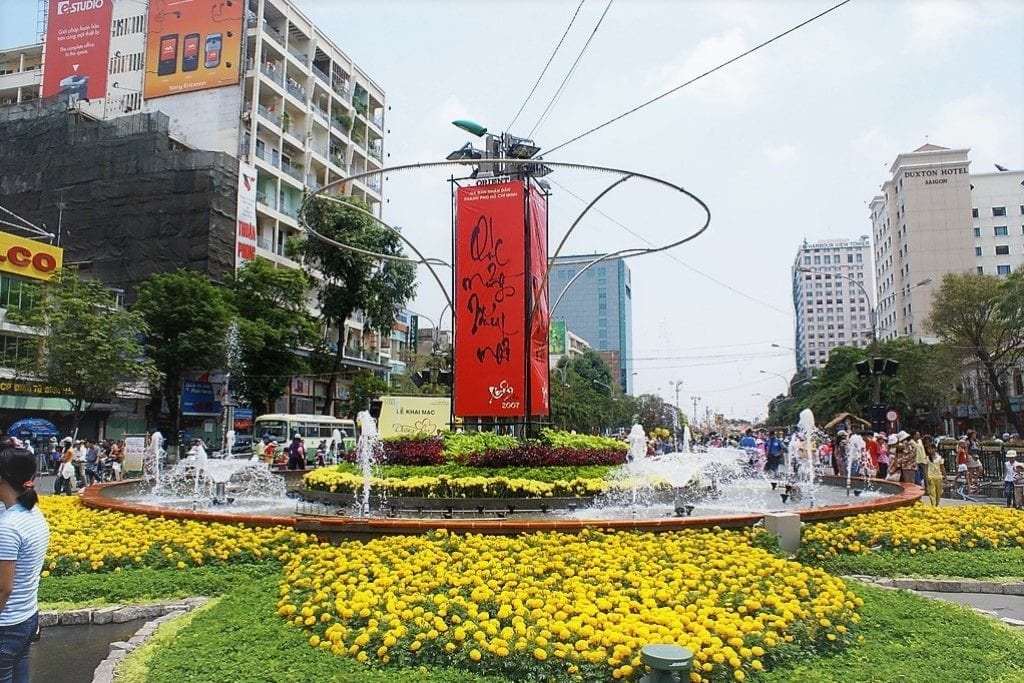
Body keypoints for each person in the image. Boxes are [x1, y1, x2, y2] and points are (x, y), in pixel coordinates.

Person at [0, 447, 50, 682]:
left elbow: (4, 589)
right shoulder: (33, 514)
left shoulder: (8, 527)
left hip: (6, 626)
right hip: (27, 618)